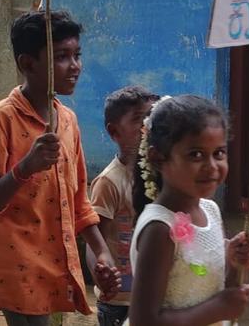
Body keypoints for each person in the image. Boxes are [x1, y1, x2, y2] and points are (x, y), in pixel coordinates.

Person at [0, 11, 122, 325]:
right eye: (62, 57)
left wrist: (101, 252)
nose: (75, 65)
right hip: (18, 266)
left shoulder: (67, 121)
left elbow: (78, 200)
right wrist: (25, 168)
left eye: (77, 55)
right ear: (27, 63)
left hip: (59, 265)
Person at [127, 95, 249, 326]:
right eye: (196, 154)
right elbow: (144, 320)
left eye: (219, 153)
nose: (211, 166)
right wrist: (219, 309)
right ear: (158, 158)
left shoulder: (210, 210)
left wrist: (235, 264)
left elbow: (211, 285)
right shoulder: (159, 228)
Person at [88, 85, 159, 326]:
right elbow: (93, 237)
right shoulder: (109, 182)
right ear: (114, 131)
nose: (146, 126)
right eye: (138, 119)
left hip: (154, 297)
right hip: (119, 302)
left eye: (151, 117)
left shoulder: (161, 175)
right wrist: (102, 276)